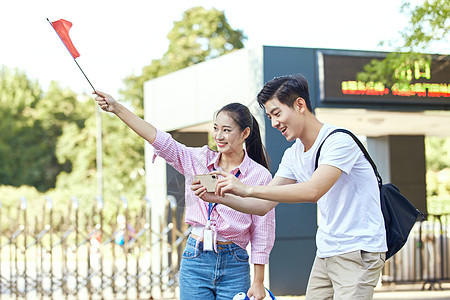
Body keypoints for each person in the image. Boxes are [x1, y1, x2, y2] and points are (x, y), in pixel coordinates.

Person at [192, 75, 387, 299]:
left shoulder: (338, 142)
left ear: (299, 105)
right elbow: (263, 205)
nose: (274, 123)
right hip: (327, 250)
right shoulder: (293, 154)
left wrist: (245, 188)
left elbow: (313, 190)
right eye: (269, 116)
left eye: (277, 113)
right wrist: (217, 198)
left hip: (358, 250)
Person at [94, 91, 275, 300]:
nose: (219, 136)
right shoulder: (197, 159)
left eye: (226, 130)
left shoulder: (259, 175)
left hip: (235, 263)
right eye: (216, 128)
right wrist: (117, 108)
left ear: (245, 133)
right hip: (195, 258)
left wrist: (259, 281)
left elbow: (263, 231)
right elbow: (158, 138)